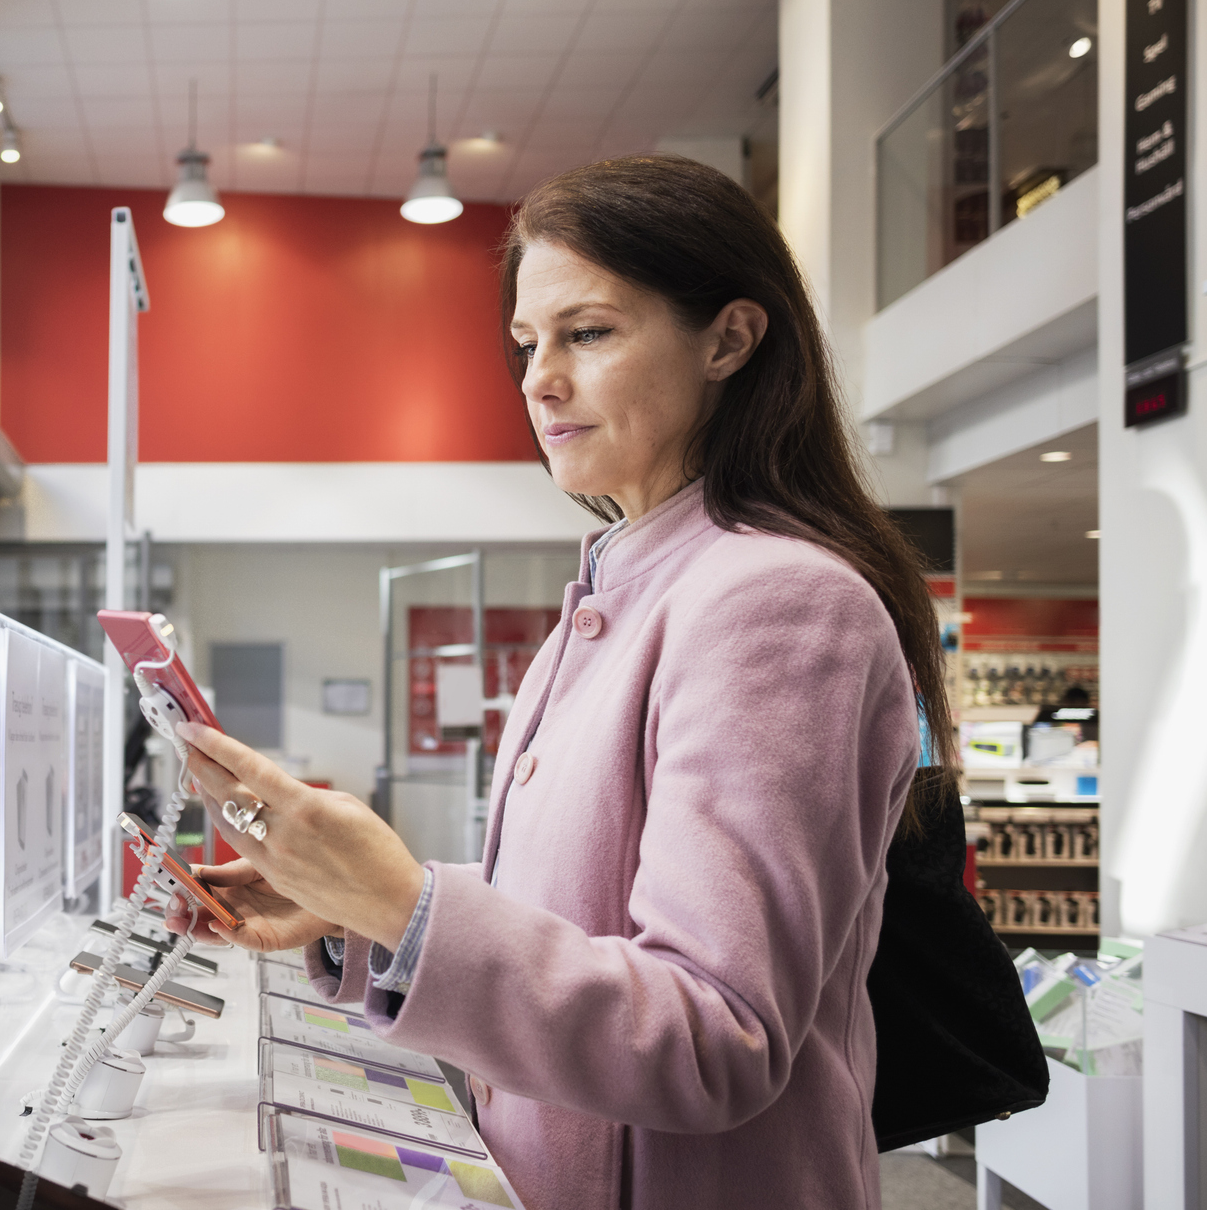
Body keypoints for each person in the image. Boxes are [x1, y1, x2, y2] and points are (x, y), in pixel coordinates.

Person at [164, 155, 953, 1210]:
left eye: (588, 333)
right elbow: (587, 904)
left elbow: (717, 1033)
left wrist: (406, 904)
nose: (537, 379)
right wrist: (350, 901)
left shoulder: (778, 601)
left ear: (729, 338)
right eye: (527, 343)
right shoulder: (623, 584)